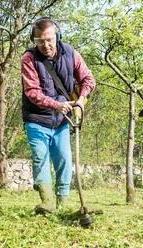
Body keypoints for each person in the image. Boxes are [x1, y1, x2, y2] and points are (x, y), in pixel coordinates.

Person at [21, 17, 96, 214]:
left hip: (62, 121)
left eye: (49, 40)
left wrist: (80, 101)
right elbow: (32, 92)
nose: (45, 45)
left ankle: (63, 205)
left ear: (57, 36)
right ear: (34, 40)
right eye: (39, 41)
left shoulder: (71, 54)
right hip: (36, 119)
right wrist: (57, 104)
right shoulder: (29, 59)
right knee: (41, 158)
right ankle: (47, 203)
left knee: (64, 160)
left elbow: (89, 80)